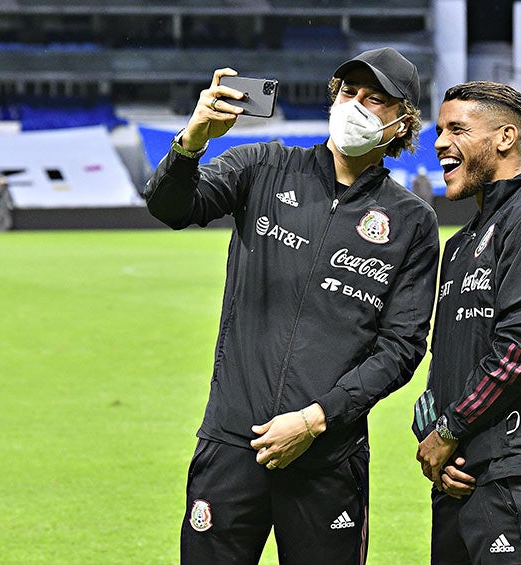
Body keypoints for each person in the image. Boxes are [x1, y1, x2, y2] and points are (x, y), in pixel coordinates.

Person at [144, 47, 440, 564]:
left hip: (327, 456)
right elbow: (172, 207)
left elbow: (402, 348)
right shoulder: (262, 165)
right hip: (233, 441)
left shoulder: (411, 221)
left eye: (375, 100)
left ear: (402, 123)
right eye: (349, 93)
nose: (356, 106)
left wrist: (316, 419)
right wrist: (191, 143)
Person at [414, 81, 521, 565]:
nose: (441, 143)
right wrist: (432, 434)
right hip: (461, 473)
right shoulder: (461, 243)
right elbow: (442, 361)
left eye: (457, 130)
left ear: (505, 138)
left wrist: (448, 431)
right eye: (440, 130)